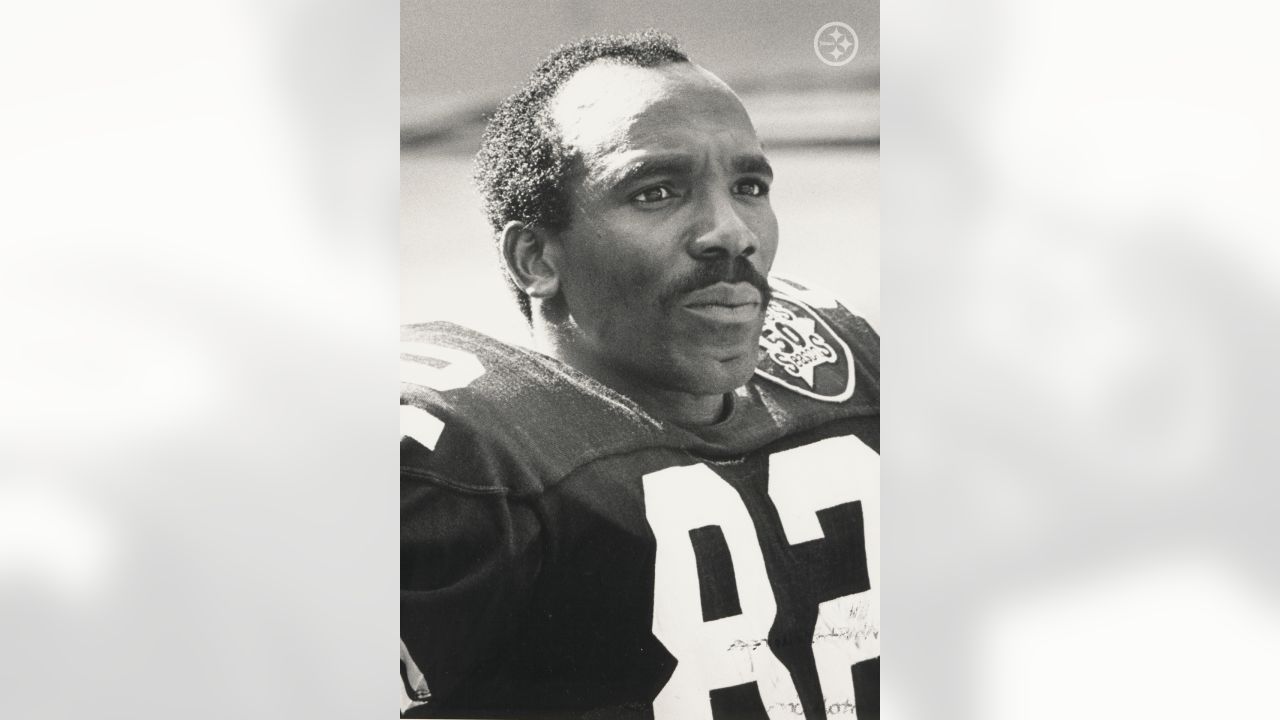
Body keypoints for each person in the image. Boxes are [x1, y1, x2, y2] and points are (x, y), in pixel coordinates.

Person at [400, 30, 879, 720]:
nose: (731, 232)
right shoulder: (460, 463)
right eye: (655, 192)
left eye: (749, 186)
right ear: (535, 259)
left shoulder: (844, 365)